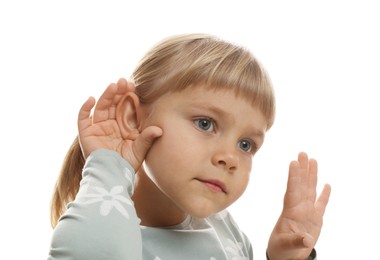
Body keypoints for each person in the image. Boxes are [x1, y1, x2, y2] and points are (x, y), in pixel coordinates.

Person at [48, 33, 331, 260]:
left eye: (246, 144)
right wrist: (109, 164)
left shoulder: (223, 228)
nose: (230, 157)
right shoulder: (102, 230)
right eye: (205, 124)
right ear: (133, 117)